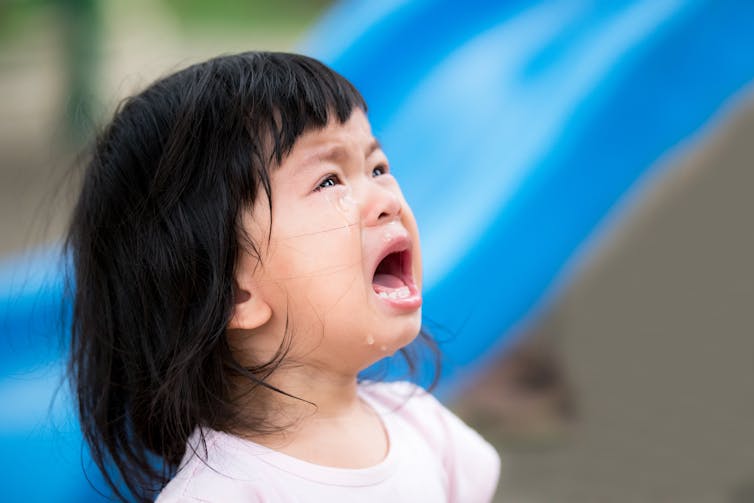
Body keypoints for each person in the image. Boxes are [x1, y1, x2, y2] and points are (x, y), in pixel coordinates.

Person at [66, 51, 500, 502]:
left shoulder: (426, 431)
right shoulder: (223, 493)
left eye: (378, 168)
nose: (386, 199)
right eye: (329, 181)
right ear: (233, 292)